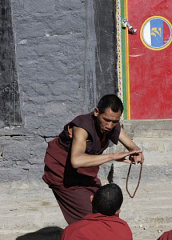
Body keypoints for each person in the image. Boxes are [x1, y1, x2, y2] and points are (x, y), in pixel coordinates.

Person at [43, 94, 144, 224]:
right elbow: (76, 161)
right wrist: (113, 156)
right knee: (89, 218)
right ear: (96, 112)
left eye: (114, 122)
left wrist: (137, 152)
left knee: (106, 208)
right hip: (63, 174)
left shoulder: (112, 125)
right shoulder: (82, 127)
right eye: (106, 120)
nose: (109, 125)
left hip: (86, 174)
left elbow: (132, 146)